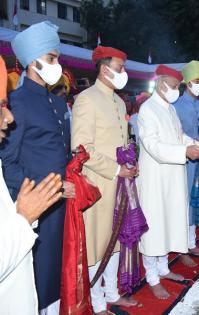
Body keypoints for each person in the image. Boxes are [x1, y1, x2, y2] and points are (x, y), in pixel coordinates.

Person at [0, 21, 75, 314]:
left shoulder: (55, 103)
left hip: (58, 198)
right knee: (38, 269)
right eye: (52, 58)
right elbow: (9, 161)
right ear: (33, 62)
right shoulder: (17, 102)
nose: (57, 65)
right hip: (34, 204)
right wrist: (36, 194)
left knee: (55, 266)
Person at [71, 46, 138, 314]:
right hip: (98, 183)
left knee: (117, 238)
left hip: (121, 183)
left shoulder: (119, 101)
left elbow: (122, 141)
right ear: (104, 68)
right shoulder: (86, 99)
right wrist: (115, 169)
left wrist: (131, 161)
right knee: (97, 243)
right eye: (120, 68)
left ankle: (112, 291)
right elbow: (80, 147)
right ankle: (96, 302)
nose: (124, 73)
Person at [137, 64, 199, 299]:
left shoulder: (170, 109)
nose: (176, 91)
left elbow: (179, 136)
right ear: (161, 83)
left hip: (172, 176)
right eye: (174, 86)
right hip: (155, 178)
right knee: (154, 226)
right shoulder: (148, 109)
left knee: (168, 221)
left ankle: (164, 269)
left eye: (178, 87)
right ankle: (152, 277)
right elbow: (153, 146)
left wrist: (194, 144)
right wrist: (184, 152)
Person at [173, 60, 199, 266]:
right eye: (197, 81)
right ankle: (181, 248)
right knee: (184, 201)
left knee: (197, 200)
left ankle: (190, 241)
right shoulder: (176, 106)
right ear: (187, 82)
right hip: (184, 161)